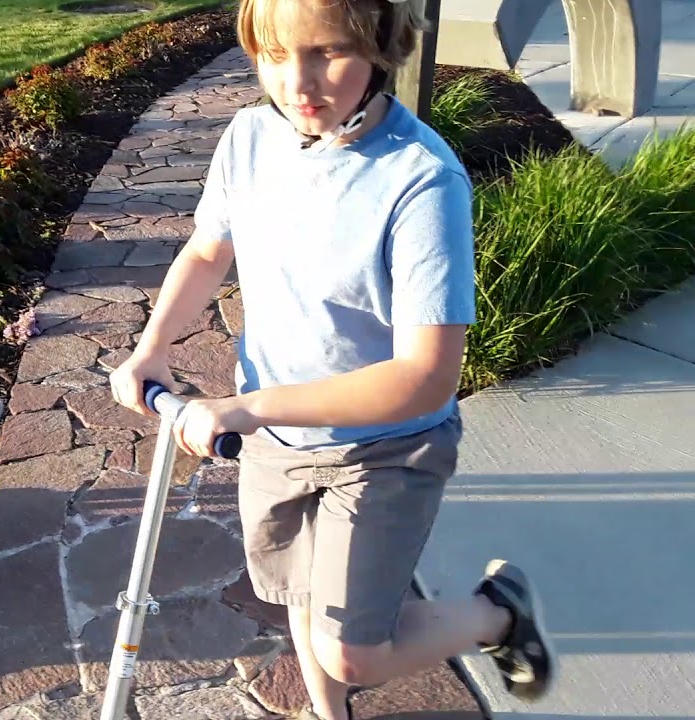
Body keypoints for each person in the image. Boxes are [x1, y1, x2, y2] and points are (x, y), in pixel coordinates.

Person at [107, 0, 556, 718]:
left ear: (381, 47)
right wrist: (152, 347)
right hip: (275, 439)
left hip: (385, 449)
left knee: (353, 648)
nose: (298, 82)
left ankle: (496, 614)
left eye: (327, 52)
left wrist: (246, 407)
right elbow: (208, 249)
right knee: (298, 596)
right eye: (276, 55)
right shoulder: (251, 136)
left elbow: (424, 375)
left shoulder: (420, 181)